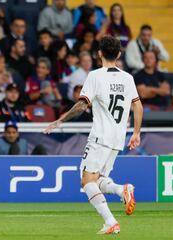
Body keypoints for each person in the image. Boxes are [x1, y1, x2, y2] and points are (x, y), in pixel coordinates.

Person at [44, 36, 143, 234]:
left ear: (99, 53)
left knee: (86, 181)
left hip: (100, 136)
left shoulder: (95, 76)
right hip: (117, 138)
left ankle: (110, 221)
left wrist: (60, 120)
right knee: (98, 179)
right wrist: (136, 133)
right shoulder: (128, 78)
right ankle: (121, 190)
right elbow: (138, 105)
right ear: (119, 54)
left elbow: (82, 104)